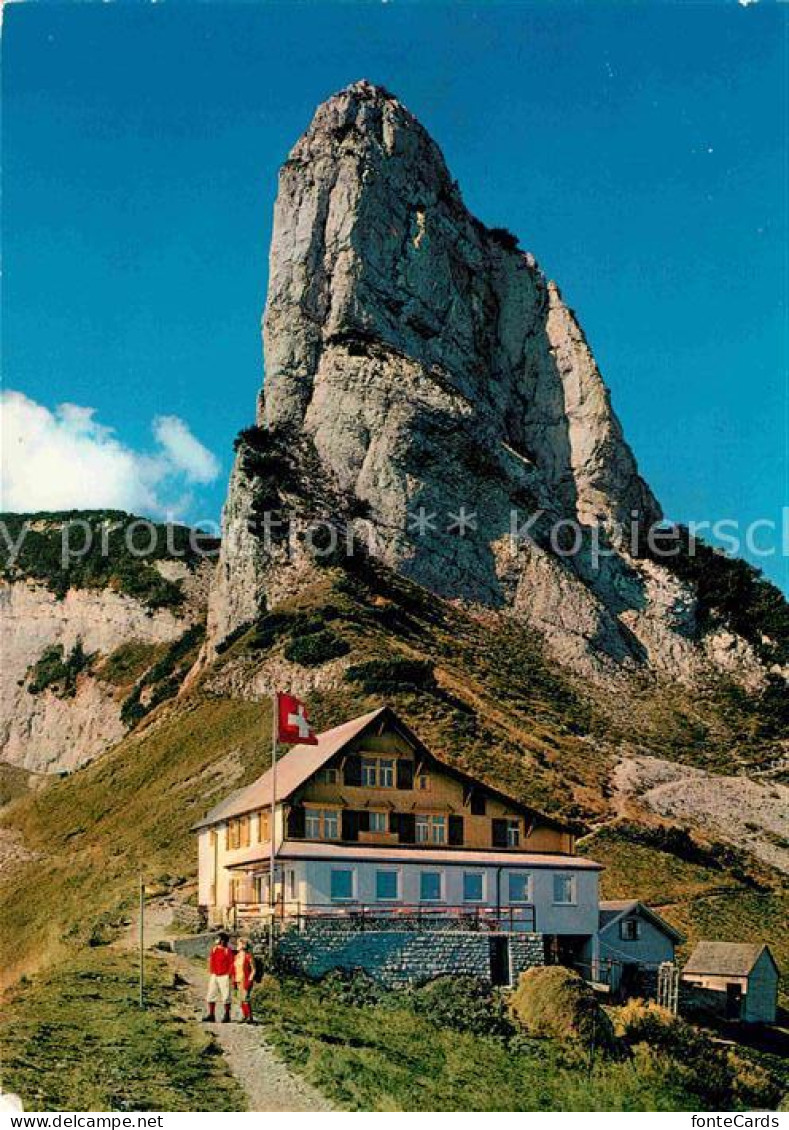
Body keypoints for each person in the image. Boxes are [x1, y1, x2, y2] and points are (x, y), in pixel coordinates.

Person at [202, 931, 234, 1023]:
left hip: (224, 975)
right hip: (215, 974)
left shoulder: (227, 951)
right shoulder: (214, 949)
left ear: (222, 940)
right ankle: (211, 1014)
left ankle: (227, 1015)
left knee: (226, 996)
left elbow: (231, 963)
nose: (217, 940)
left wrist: (229, 974)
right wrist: (211, 971)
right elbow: (211, 960)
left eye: (218, 939)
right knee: (211, 994)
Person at [233, 936, 255, 1024]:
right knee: (241, 999)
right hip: (238, 979)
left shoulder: (248, 956)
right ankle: (244, 1015)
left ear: (243, 945)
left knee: (245, 998)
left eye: (239, 944)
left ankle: (249, 1016)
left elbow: (254, 969)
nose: (237, 945)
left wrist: (250, 979)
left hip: (245, 979)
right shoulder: (237, 956)